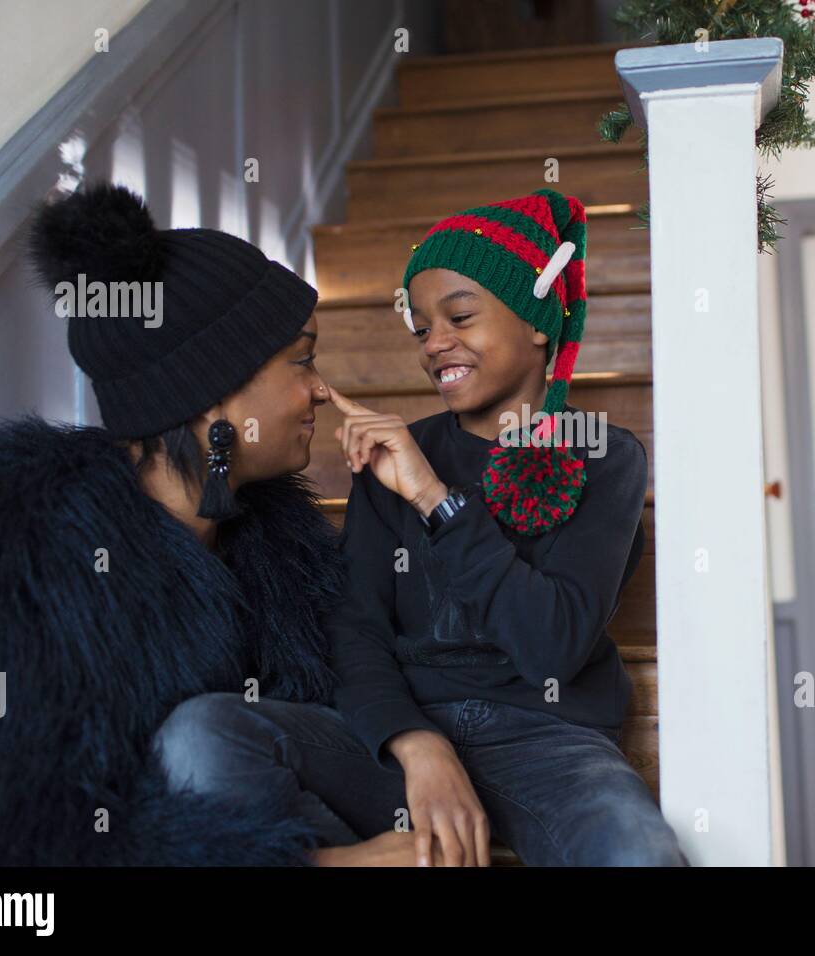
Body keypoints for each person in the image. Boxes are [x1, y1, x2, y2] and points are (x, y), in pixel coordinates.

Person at [155, 189, 688, 866]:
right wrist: (415, 743)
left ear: (536, 323)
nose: (435, 344)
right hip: (399, 742)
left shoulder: (604, 457)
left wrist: (435, 498)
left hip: (551, 746)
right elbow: (355, 632)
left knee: (638, 853)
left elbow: (552, 644)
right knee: (204, 732)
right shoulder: (392, 455)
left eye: (459, 316)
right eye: (421, 329)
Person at [0, 183, 422, 866]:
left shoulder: (278, 550)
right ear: (210, 392)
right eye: (301, 359)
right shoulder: (12, 573)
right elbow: (11, 841)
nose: (320, 389)